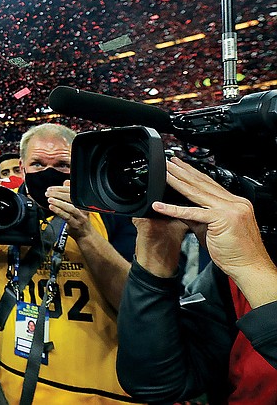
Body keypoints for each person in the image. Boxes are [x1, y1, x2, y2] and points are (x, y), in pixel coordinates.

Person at [0, 122, 138, 404]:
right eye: (37, 164)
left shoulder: (109, 208)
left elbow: (136, 303)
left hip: (100, 392)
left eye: (62, 164)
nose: (49, 172)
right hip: (13, 388)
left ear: (79, 166)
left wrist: (84, 232)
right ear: (22, 167)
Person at [116, 157, 277, 403]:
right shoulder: (238, 274)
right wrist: (157, 247)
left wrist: (251, 267)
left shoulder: (251, 266)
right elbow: (156, 383)